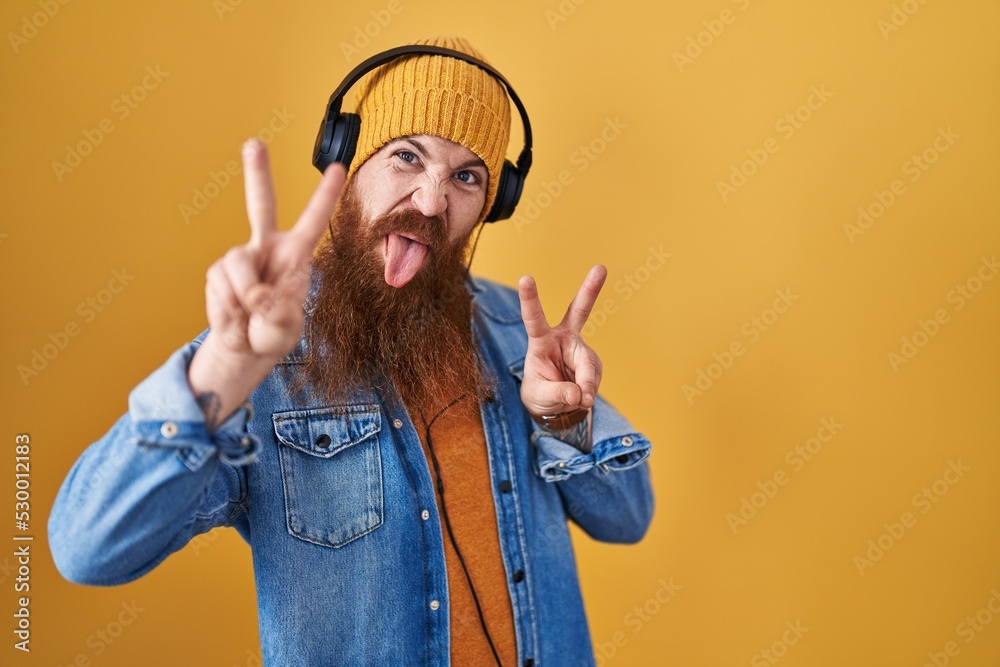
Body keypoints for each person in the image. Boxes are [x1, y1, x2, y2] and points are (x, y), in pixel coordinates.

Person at [48, 36, 654, 667]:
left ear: (492, 204)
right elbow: (89, 547)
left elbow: (627, 519)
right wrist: (227, 367)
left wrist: (564, 420)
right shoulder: (261, 358)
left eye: (466, 177)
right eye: (406, 157)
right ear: (346, 161)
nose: (430, 202)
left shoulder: (516, 337)